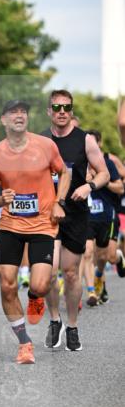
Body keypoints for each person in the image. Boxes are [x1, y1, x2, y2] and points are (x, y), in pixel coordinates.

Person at [0, 100, 70, 364]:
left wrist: (59, 201)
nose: (19, 116)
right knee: (7, 285)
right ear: (3, 120)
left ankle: (35, 297)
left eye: (23, 112)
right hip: (10, 224)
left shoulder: (45, 146)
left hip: (43, 223)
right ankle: (24, 343)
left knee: (40, 285)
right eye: (13, 112)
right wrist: (1, 200)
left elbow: (64, 172)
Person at [40, 90, 109, 352]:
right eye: (56, 106)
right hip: (47, 214)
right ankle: (54, 320)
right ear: (49, 111)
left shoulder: (85, 140)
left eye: (66, 107)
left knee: (70, 273)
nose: (61, 111)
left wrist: (89, 186)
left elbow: (102, 173)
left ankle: (71, 326)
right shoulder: (40, 141)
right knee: (46, 272)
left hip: (76, 213)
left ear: (71, 111)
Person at [83, 129, 125, 305]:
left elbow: (120, 188)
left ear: (99, 144)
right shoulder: (79, 163)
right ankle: (92, 292)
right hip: (86, 216)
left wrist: (101, 180)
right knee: (88, 252)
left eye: (93, 142)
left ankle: (114, 261)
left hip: (107, 215)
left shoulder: (108, 162)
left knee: (106, 258)